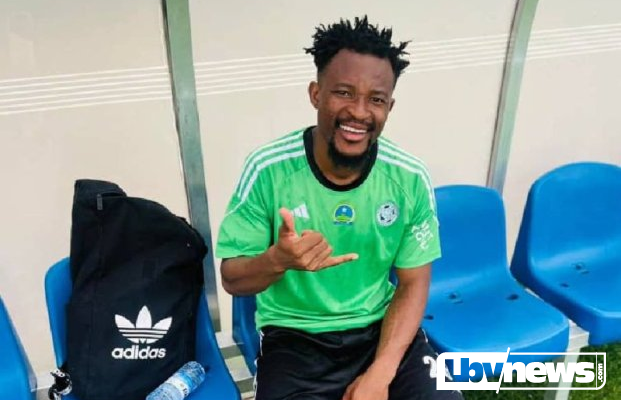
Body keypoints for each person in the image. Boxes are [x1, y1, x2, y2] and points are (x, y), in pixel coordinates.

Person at [216, 16, 462, 400]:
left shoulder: (409, 177)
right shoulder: (268, 169)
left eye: (375, 99)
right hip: (294, 339)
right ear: (316, 94)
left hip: (380, 331)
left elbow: (414, 282)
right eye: (344, 93)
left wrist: (380, 375)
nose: (359, 112)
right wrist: (277, 259)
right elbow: (232, 279)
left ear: (389, 106)